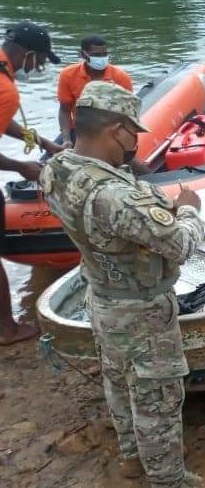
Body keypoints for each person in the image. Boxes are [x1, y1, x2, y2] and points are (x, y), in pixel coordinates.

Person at [40, 81, 205, 487]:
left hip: (101, 296)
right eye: (133, 133)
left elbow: (110, 216)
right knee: (158, 398)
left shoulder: (56, 170)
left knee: (117, 380)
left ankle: (132, 457)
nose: (134, 143)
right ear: (116, 130)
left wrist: (144, 195)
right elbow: (180, 244)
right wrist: (189, 211)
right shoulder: (113, 195)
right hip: (142, 310)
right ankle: (169, 481)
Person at [1, 21, 63, 345]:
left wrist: (42, 141)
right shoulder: (7, 88)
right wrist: (20, 166)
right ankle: (7, 330)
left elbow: (3, 119)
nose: (38, 68)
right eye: (39, 61)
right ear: (27, 54)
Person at [57, 34, 133, 148]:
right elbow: (64, 110)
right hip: (79, 132)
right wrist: (66, 139)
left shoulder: (121, 77)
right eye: (97, 55)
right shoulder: (67, 75)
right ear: (83, 54)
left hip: (110, 133)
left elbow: (128, 114)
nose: (102, 59)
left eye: (105, 55)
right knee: (51, 158)